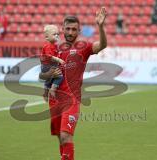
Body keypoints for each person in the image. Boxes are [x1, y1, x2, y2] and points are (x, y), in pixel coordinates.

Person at [39, 7, 107, 160]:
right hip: (55, 100)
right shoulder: (53, 48)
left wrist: (101, 26)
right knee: (60, 138)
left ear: (79, 30)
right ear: (62, 29)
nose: (70, 32)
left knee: (65, 136)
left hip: (72, 100)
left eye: (74, 29)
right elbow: (42, 74)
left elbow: (102, 45)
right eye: (68, 29)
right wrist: (49, 75)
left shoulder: (84, 48)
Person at [40, 24, 65, 101]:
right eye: (54, 34)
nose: (56, 36)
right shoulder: (48, 46)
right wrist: (58, 60)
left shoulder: (54, 45)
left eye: (58, 34)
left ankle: (46, 90)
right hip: (47, 65)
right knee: (59, 76)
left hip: (47, 66)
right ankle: (53, 89)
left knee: (50, 78)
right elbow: (48, 56)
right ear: (47, 37)